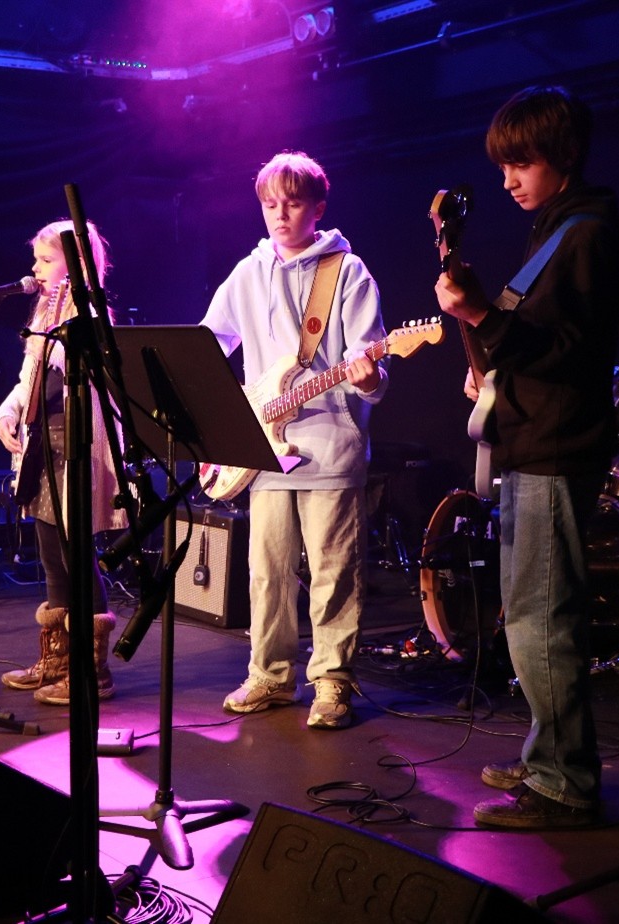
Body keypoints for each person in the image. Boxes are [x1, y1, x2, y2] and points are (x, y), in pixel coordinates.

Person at [435, 85, 619, 827]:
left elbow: (572, 353)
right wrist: (492, 356)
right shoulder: (555, 230)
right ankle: (549, 755)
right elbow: (536, 343)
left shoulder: (586, 234)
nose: (509, 179)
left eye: (523, 163)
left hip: (556, 448)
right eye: (503, 167)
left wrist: (483, 316)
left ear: (564, 154)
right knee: (531, 613)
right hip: (533, 442)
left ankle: (564, 786)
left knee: (543, 618)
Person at [199, 150, 388, 730]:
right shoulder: (248, 273)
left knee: (333, 572)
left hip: (330, 445)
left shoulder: (347, 271)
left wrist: (369, 375)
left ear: (318, 208)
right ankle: (271, 675)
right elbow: (208, 345)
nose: (280, 214)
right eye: (270, 204)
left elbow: (371, 361)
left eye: (293, 203)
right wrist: (219, 420)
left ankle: (332, 680)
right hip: (265, 449)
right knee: (267, 573)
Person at [0, 219, 126, 705]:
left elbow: (92, 384)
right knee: (51, 551)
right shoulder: (43, 314)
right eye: (37, 259)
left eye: (46, 260)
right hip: (43, 448)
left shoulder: (91, 318)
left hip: (76, 448)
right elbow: (28, 379)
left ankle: (93, 671)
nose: (35, 268)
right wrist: (7, 412)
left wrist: (64, 323)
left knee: (77, 554)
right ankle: (58, 659)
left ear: (75, 268)